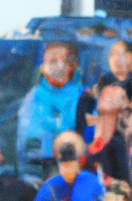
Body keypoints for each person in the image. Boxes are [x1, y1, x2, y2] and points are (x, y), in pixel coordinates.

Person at [16, 41, 84, 179]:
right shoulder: (35, 95)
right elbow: (28, 133)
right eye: (51, 61)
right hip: (37, 165)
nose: (56, 67)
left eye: (61, 61)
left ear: (72, 66)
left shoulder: (80, 95)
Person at [86, 84, 132, 186]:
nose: (107, 98)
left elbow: (125, 179)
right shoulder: (89, 131)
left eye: (112, 98)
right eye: (104, 96)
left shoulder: (118, 143)